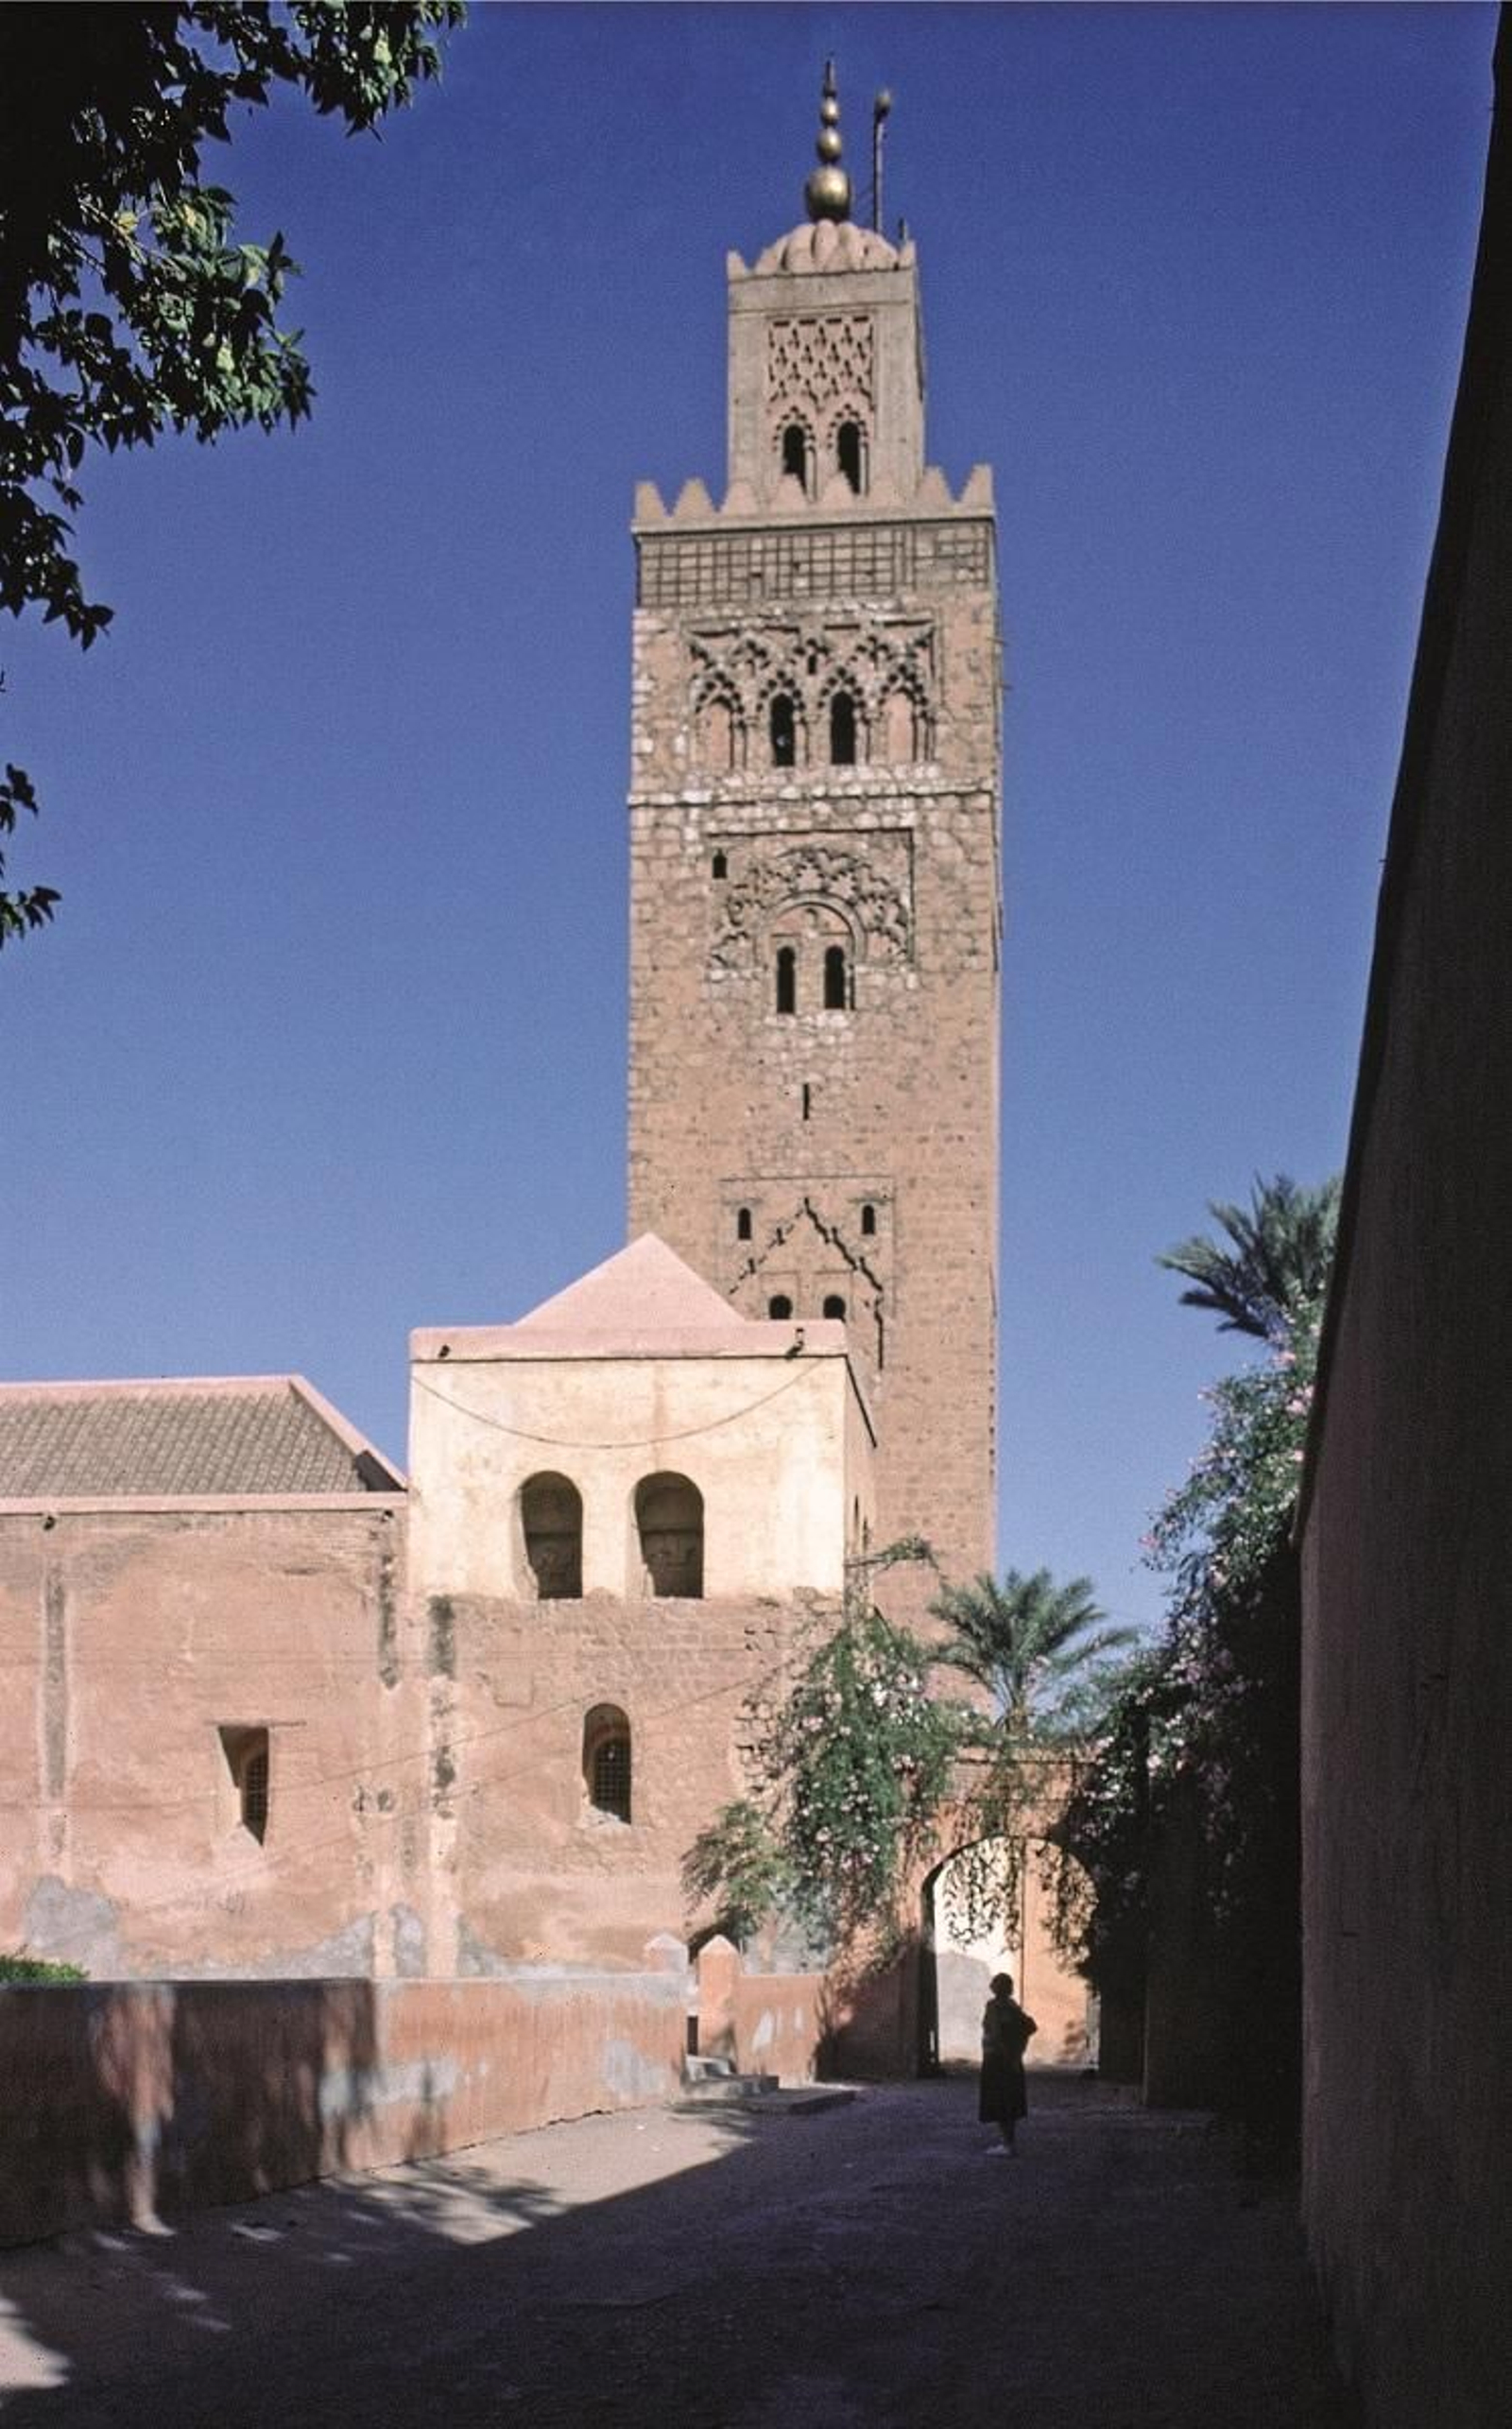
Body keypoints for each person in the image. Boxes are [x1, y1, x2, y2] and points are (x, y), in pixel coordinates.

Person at [979, 1971, 1037, 2153]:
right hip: (1012, 2059)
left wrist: (1005, 2051)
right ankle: (1009, 2141)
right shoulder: (1013, 2007)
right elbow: (1030, 2027)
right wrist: (1018, 2051)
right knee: (1010, 2101)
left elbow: (995, 2034)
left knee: (999, 2100)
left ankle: (1006, 2144)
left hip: (997, 2059)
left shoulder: (994, 2006)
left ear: (995, 1988)